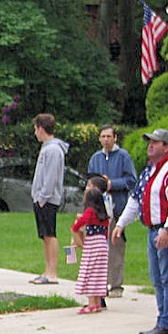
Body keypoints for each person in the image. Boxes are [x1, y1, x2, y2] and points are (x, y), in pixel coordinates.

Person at [114, 128, 168, 334]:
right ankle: (163, 319)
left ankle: (167, 323)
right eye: (149, 141)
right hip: (153, 229)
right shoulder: (150, 170)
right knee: (157, 277)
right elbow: (136, 199)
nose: (150, 145)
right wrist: (121, 223)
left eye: (155, 142)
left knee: (167, 277)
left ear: (166, 147)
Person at [87, 126, 137, 297]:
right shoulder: (96, 158)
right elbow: (90, 181)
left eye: (109, 136)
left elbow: (131, 181)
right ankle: (99, 284)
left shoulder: (123, 156)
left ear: (115, 138)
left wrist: (112, 184)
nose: (106, 139)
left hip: (117, 208)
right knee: (98, 247)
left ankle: (116, 285)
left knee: (116, 246)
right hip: (98, 210)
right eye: (103, 136)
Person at [29, 113, 69, 284]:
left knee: (50, 234)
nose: (35, 133)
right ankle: (47, 270)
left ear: (41, 128)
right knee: (44, 235)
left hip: (48, 199)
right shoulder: (46, 147)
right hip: (40, 198)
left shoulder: (53, 149)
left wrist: (43, 197)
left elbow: (51, 176)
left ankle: (52, 272)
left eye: (35, 129)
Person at [70, 182, 108, 314]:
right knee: (99, 273)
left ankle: (91, 304)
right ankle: (97, 303)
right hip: (102, 244)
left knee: (90, 272)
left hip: (92, 245)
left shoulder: (90, 211)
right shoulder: (104, 215)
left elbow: (81, 222)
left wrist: (74, 227)